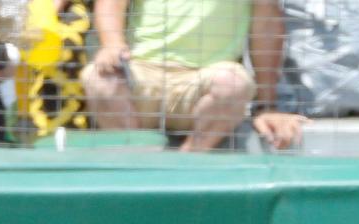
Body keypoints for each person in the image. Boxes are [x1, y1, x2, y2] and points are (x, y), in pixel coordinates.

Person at [81, 0, 307, 151]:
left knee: (235, 82)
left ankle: (188, 161)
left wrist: (267, 106)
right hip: (141, 77)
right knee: (99, 78)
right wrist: (112, 44)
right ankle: (136, 160)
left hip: (203, 84)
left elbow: (266, 23)